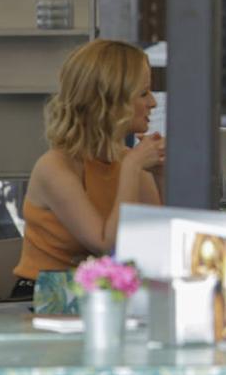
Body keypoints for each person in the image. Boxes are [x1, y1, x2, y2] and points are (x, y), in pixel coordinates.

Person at [11, 40, 165, 299]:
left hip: (107, 295)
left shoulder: (131, 161)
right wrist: (132, 167)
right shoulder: (54, 167)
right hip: (44, 299)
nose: (153, 103)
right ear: (110, 102)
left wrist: (160, 173)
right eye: (143, 93)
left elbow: (156, 243)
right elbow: (106, 244)